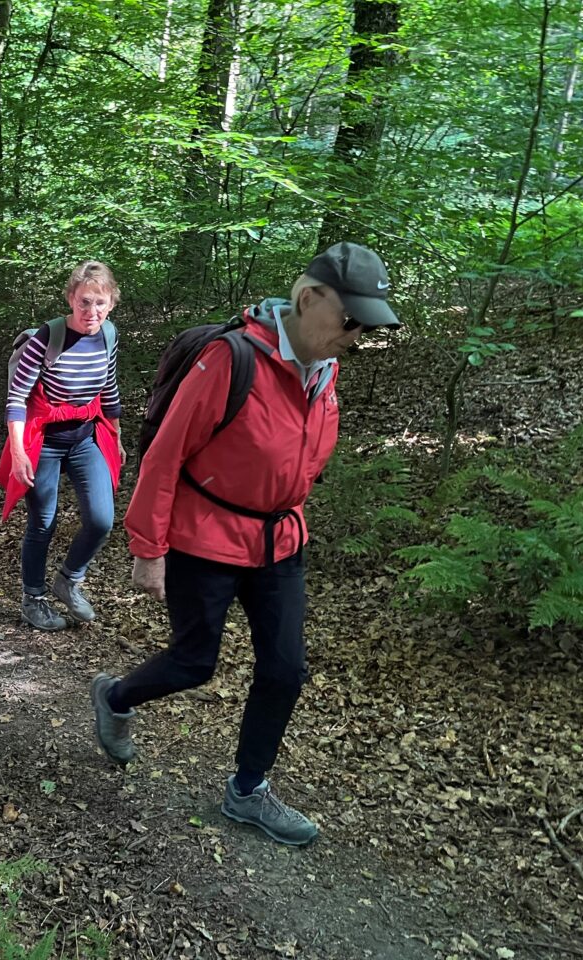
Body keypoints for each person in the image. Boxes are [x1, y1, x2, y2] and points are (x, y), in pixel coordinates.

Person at [90, 242, 402, 847]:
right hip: (204, 538)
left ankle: (248, 790)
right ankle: (117, 696)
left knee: (285, 668)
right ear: (309, 298)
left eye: (365, 325)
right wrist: (148, 548)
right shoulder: (230, 359)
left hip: (280, 539)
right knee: (194, 662)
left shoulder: (324, 370)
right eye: (350, 320)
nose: (356, 335)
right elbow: (165, 456)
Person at [0, 260, 124, 632]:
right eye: (84, 301)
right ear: (71, 298)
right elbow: (16, 399)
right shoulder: (46, 337)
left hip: (85, 436)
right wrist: (18, 452)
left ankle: (68, 580)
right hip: (45, 441)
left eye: (100, 303)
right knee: (43, 522)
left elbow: (109, 389)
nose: (91, 311)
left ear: (111, 303)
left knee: (101, 520)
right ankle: (32, 599)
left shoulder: (108, 335)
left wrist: (116, 436)